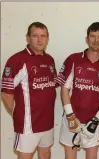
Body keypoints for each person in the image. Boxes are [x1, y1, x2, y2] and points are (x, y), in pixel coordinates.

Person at [57, 22, 99, 159]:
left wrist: (97, 120)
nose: (96, 40)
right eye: (92, 36)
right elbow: (64, 89)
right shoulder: (73, 59)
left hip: (93, 123)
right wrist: (70, 115)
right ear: (86, 39)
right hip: (71, 119)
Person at [1, 22, 57, 159]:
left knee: (46, 154)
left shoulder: (50, 60)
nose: (39, 39)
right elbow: (6, 93)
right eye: (35, 36)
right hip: (27, 125)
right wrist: (19, 115)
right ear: (27, 38)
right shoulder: (17, 60)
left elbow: (50, 89)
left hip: (47, 121)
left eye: (43, 36)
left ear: (47, 38)